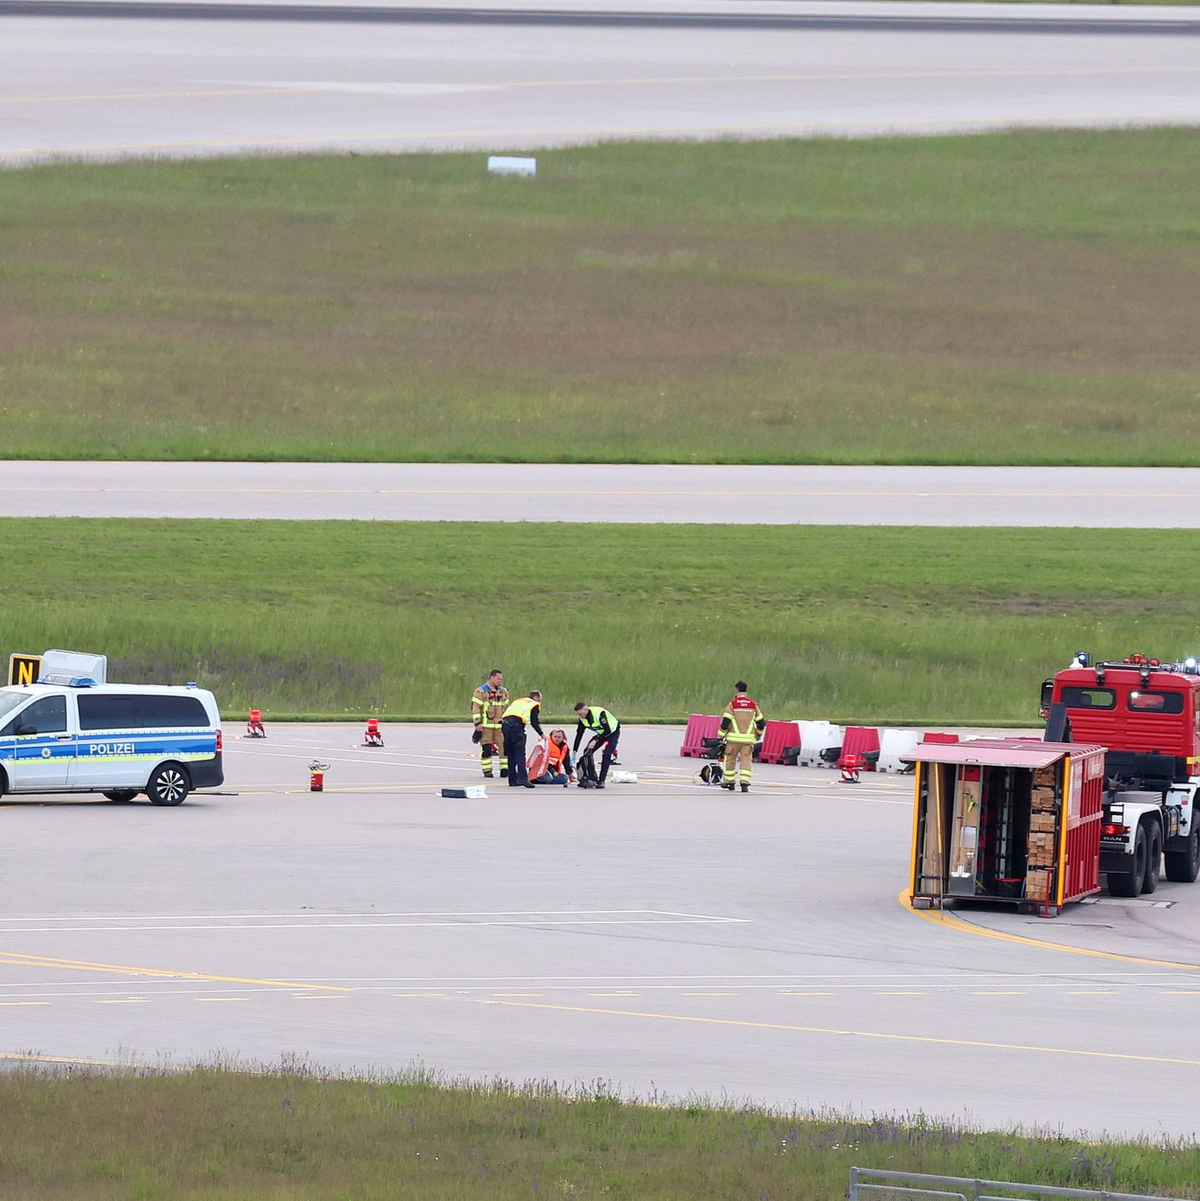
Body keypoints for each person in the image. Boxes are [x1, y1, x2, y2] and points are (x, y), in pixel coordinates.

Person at [719, 681, 765, 793]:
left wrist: (720, 736)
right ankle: (744, 784)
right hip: (748, 741)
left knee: (729, 760)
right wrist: (758, 734)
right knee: (746, 761)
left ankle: (730, 783)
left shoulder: (732, 704)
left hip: (733, 740)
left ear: (736, 690)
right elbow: (761, 723)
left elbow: (725, 722)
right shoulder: (753, 705)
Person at [471, 668, 509, 779]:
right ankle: (487, 771)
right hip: (485, 726)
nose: (500, 681)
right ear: (491, 678)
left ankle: (504, 769)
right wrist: (477, 723)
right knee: (486, 749)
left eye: (501, 679)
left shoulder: (503, 692)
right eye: (498, 678)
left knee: (504, 748)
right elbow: (476, 708)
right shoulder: (480, 691)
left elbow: (506, 707)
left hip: (500, 726)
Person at [573, 702, 620, 789]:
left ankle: (601, 781)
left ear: (586, 709)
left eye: (581, 714)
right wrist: (574, 750)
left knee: (606, 754)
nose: (580, 716)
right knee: (587, 752)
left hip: (612, 733)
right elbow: (579, 734)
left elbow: (607, 730)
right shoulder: (582, 719)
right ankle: (591, 778)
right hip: (601, 734)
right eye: (578, 715)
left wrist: (595, 740)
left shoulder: (599, 714)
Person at [501, 690, 543, 788]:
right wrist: (541, 734)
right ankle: (523, 778)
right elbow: (534, 721)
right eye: (540, 700)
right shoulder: (534, 704)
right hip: (516, 725)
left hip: (505, 724)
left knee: (511, 753)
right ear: (536, 697)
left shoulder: (518, 701)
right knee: (520, 753)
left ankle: (512, 780)